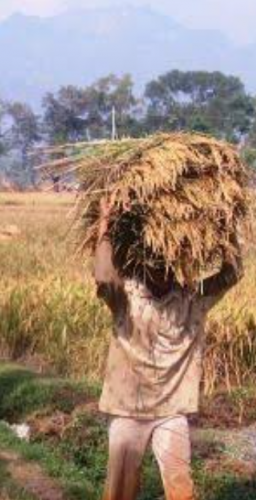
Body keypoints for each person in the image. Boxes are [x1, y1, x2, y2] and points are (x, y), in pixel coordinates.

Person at [94, 197, 242, 500]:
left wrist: (228, 229)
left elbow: (231, 274)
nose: (164, 269)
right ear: (144, 262)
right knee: (119, 493)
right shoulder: (126, 299)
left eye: (169, 262)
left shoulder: (191, 300)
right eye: (157, 262)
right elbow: (104, 277)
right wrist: (105, 225)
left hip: (171, 411)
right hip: (127, 411)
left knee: (180, 489)